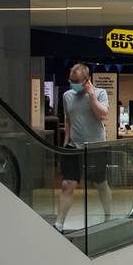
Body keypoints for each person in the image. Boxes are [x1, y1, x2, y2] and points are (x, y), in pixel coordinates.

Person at [55, 64, 112, 232]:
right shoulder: (67, 96)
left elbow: (102, 114)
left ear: (86, 80)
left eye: (77, 81)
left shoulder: (100, 93)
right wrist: (66, 141)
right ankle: (59, 223)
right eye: (71, 81)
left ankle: (108, 217)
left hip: (96, 146)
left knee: (100, 182)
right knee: (67, 184)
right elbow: (68, 119)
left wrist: (91, 96)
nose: (73, 84)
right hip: (74, 146)